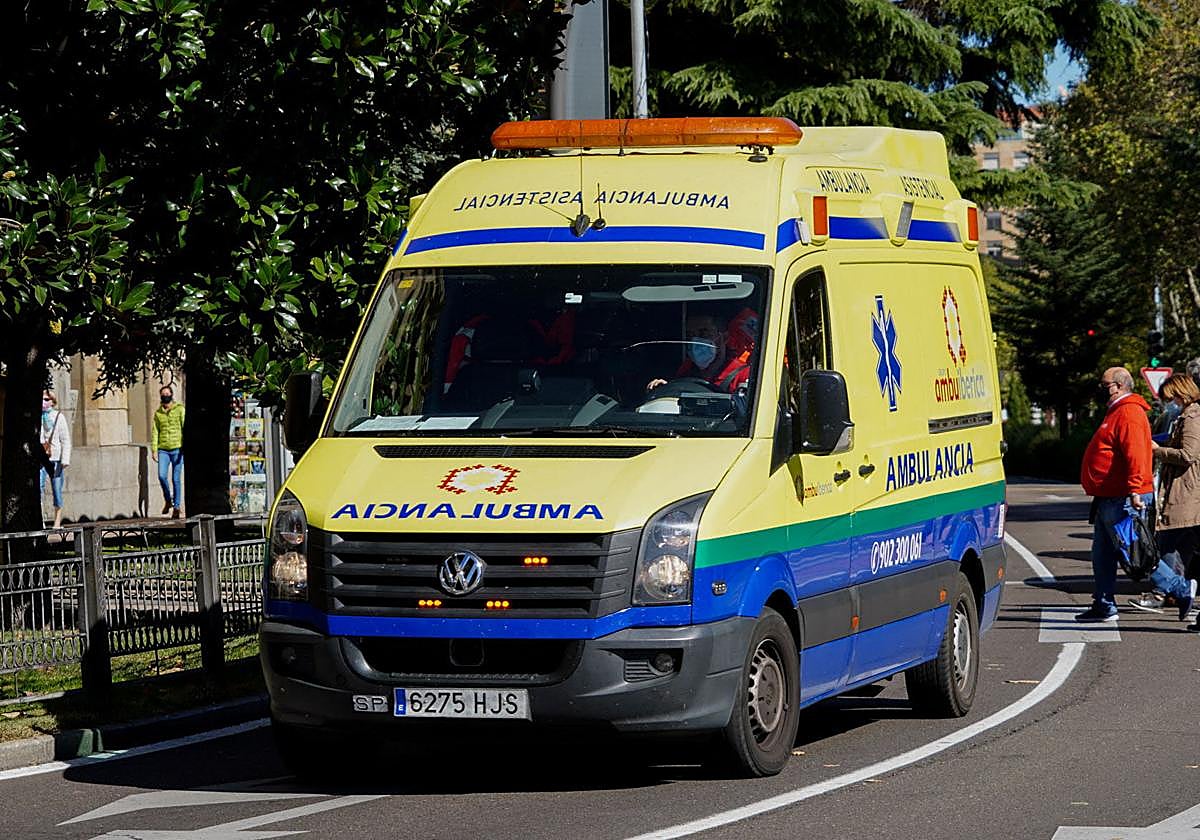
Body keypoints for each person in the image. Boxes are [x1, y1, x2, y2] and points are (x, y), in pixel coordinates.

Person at [1077, 367, 1154, 622]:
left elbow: (1136, 454)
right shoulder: (1117, 411)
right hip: (1109, 496)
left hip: (1122, 497)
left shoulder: (1129, 412)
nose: (1101, 389)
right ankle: (1103, 604)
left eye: (1105, 384)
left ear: (1119, 386)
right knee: (1103, 554)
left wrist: (1135, 489)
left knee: (1136, 553)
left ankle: (1181, 589)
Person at [1130, 373, 1200, 618]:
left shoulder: (1193, 417)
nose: (1170, 402)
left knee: (1164, 545)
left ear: (1181, 393)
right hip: (1186, 492)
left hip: (1187, 492)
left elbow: (1188, 454)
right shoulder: (1186, 416)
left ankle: (1165, 592)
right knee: (1178, 546)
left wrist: (1158, 450)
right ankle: (1177, 593)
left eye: (1171, 397)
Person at [647, 307, 758, 395]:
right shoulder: (687, 369)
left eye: (704, 333)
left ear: (724, 338)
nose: (695, 341)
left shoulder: (743, 375)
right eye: (690, 335)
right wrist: (665, 389)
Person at [152, 384, 186, 519]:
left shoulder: (180, 409)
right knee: (161, 476)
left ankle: (176, 507)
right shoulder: (158, 413)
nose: (165, 396)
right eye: (163, 394)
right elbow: (155, 431)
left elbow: (184, 427)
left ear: (171, 395)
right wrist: (154, 449)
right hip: (163, 449)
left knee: (176, 479)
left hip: (177, 448)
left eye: (167, 394)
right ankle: (168, 500)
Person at [39, 390, 71, 529]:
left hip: (55, 458)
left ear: (53, 401)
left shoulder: (59, 417)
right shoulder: (38, 417)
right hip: (41, 458)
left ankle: (57, 521)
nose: (44, 402)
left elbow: (65, 440)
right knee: (39, 488)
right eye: (42, 399)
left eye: (47, 399)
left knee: (57, 489)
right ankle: (40, 520)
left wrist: (65, 460)